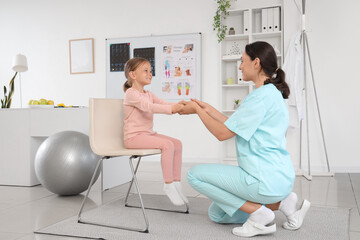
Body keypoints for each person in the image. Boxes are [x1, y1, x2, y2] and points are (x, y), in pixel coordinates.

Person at [179, 41, 311, 237]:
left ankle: (259, 214)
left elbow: (223, 134)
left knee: (194, 175)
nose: (240, 66)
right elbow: (234, 124)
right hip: (280, 178)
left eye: (242, 61)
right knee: (217, 214)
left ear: (256, 62)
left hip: (262, 179)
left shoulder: (259, 97)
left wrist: (197, 111)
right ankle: (284, 204)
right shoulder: (272, 94)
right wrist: (206, 108)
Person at [122, 57, 188, 206]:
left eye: (150, 71)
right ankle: (168, 184)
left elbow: (163, 103)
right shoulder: (131, 94)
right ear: (133, 75)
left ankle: (177, 183)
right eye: (145, 71)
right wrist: (173, 109)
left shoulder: (149, 94)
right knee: (167, 145)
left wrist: (181, 105)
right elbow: (149, 107)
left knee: (177, 143)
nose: (150, 74)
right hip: (133, 137)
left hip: (147, 134)